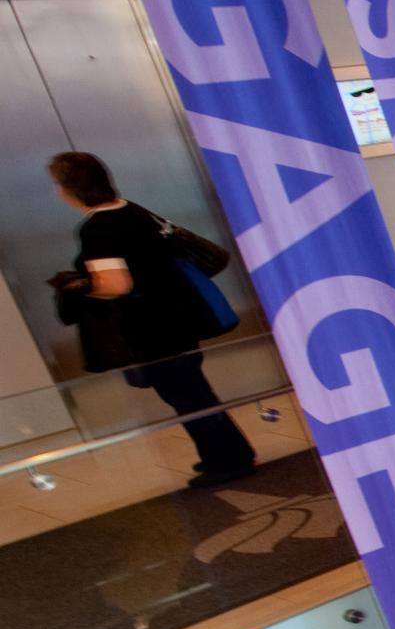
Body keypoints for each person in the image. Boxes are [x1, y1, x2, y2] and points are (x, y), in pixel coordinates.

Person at [48, 152, 255, 488]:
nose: (57, 191)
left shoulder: (98, 228)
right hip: (179, 317)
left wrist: (79, 288)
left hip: (149, 328)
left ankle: (229, 460)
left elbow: (117, 285)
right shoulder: (132, 209)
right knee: (193, 390)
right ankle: (227, 453)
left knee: (186, 395)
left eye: (58, 184)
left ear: (72, 189)